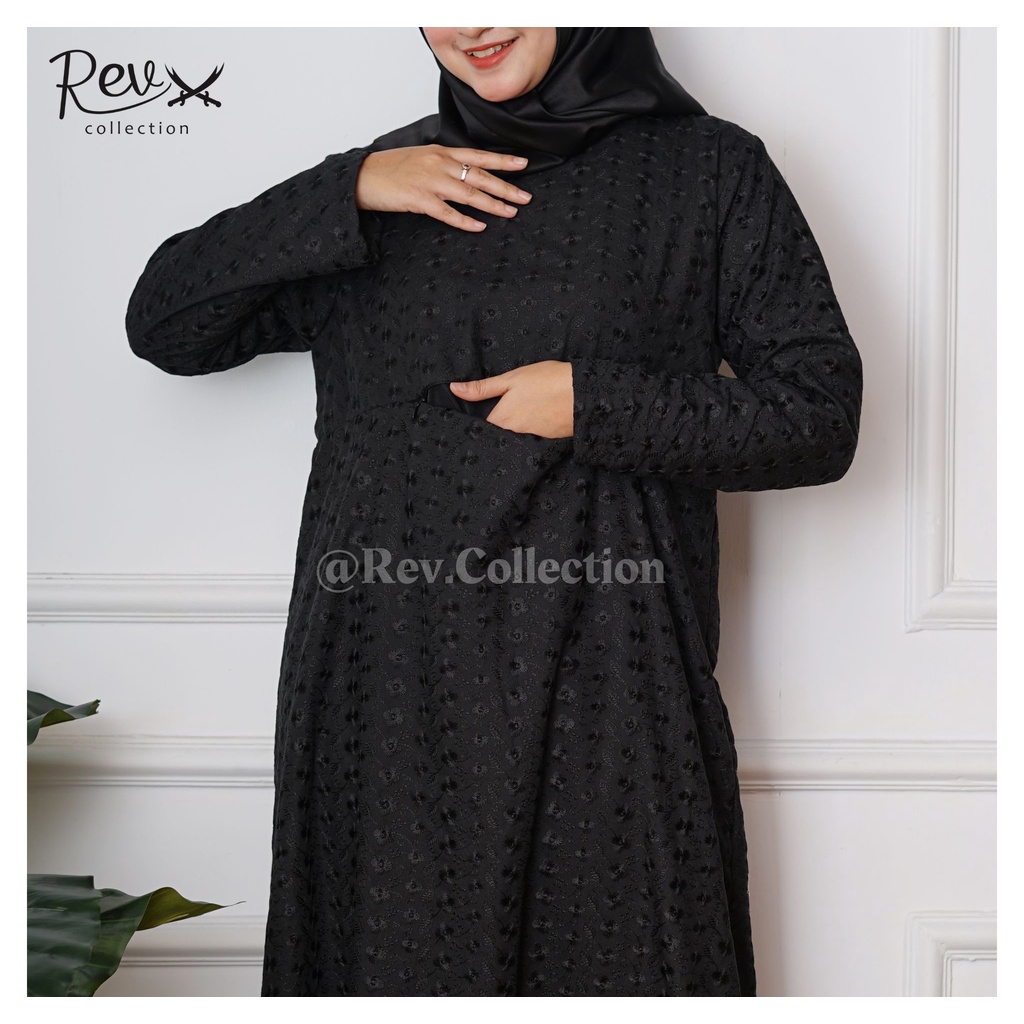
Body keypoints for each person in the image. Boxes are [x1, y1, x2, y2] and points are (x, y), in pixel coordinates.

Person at [125, 27, 863, 997]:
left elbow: (819, 416)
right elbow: (166, 324)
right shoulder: (387, 188)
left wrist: (594, 403)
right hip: (383, 717)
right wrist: (347, 187)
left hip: (608, 700)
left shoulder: (708, 172)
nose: (472, 24)